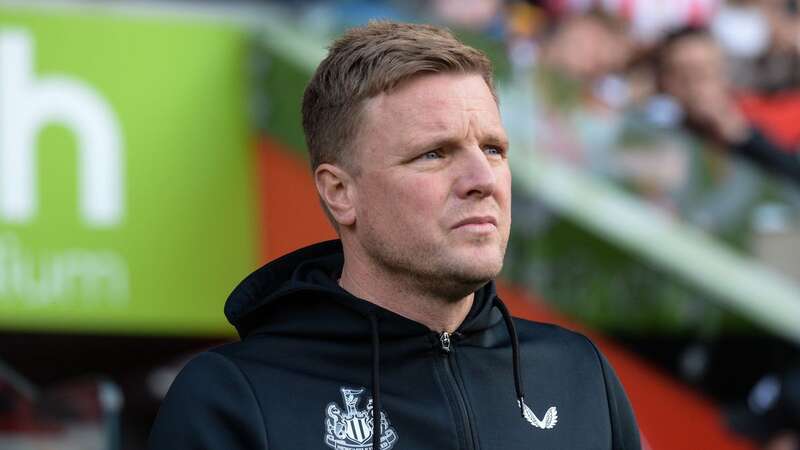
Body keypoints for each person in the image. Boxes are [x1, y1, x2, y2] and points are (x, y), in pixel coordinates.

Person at [148, 21, 641, 450]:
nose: (483, 179)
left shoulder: (579, 375)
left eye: (493, 149)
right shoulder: (235, 396)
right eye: (434, 153)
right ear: (340, 192)